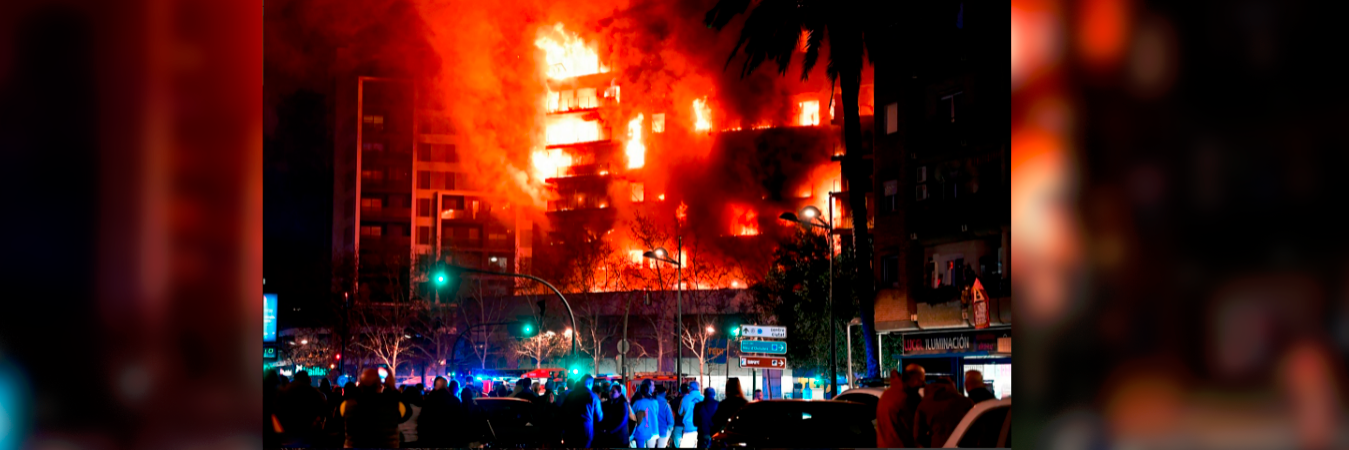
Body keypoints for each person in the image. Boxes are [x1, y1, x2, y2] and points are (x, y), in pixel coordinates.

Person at [340, 368, 412, 448]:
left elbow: (339, 421)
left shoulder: (347, 405)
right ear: (379, 384)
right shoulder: (394, 405)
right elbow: (407, 413)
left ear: (361, 384)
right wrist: (391, 386)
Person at [916, 377, 975, 448]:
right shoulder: (966, 402)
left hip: (936, 444)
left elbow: (918, 435)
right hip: (961, 444)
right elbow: (975, 429)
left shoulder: (924, 404)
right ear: (952, 386)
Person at [876, 364, 926, 448]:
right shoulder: (906, 398)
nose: (923, 383)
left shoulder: (887, 394)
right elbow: (917, 430)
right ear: (914, 379)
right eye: (921, 380)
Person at [277, 370, 329, 447]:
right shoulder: (313, 392)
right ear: (307, 379)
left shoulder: (285, 391)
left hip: (288, 434)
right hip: (308, 434)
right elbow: (324, 409)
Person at [562, 375, 604, 447]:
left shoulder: (570, 395)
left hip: (570, 429)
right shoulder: (593, 397)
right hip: (585, 431)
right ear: (590, 384)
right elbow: (599, 417)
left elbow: (563, 411)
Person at [417, 377, 457, 447]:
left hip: (431, 438)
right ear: (446, 386)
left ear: (435, 386)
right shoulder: (454, 400)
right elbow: (459, 420)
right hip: (449, 438)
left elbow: (422, 420)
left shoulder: (428, 401)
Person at [632, 380, 662, 448]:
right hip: (653, 429)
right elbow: (656, 414)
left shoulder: (637, 403)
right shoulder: (655, 402)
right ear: (648, 390)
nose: (654, 387)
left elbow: (633, 416)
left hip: (640, 431)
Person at [676, 381, 703, 447]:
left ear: (691, 388)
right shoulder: (703, 398)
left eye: (688, 387)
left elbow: (680, 412)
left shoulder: (685, 398)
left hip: (689, 428)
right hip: (701, 429)